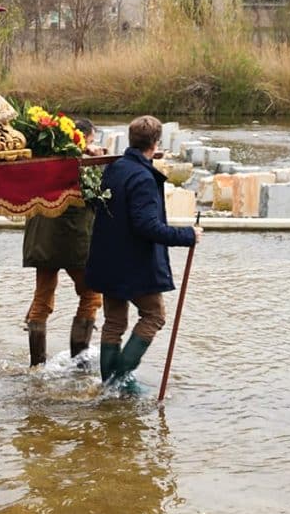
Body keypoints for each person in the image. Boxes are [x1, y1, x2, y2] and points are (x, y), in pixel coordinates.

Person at [85, 115, 203, 391]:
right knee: (154, 316)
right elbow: (147, 226)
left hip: (106, 259)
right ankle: (119, 380)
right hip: (133, 264)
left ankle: (110, 385)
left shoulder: (114, 169)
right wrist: (188, 235)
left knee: (114, 322)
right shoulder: (143, 178)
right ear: (155, 143)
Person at [22, 118, 106, 368]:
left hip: (41, 240)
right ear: (86, 139)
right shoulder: (84, 163)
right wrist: (98, 162)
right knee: (91, 296)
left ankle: (37, 365)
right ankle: (80, 361)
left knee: (42, 298)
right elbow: (97, 193)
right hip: (73, 241)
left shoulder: (44, 157)